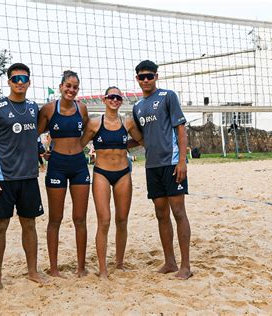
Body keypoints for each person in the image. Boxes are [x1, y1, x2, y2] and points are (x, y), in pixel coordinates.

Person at [0, 62, 46, 290]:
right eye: (15, 79)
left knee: (30, 225)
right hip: (3, 178)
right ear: (9, 82)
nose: (20, 82)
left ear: (29, 82)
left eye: (24, 79)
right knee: (0, 226)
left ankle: (32, 271)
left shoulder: (33, 108)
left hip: (28, 178)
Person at [132, 60, 192, 280]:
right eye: (142, 76)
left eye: (149, 76)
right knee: (160, 214)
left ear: (156, 76)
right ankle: (170, 261)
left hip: (172, 163)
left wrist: (182, 161)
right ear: (137, 79)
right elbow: (140, 138)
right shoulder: (137, 107)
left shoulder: (168, 96)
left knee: (178, 212)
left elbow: (180, 130)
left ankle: (186, 265)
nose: (146, 80)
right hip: (152, 166)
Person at [80, 86, 144, 279]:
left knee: (122, 220)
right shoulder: (93, 123)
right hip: (101, 173)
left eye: (118, 97)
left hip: (123, 173)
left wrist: (122, 144)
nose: (115, 100)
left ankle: (120, 264)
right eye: (111, 97)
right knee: (104, 220)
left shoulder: (128, 122)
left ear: (120, 101)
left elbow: (141, 140)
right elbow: (79, 145)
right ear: (105, 99)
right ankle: (102, 269)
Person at [37, 70, 90, 277]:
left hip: (79, 164)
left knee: (80, 218)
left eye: (75, 87)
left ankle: (81, 267)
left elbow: (88, 131)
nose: (71, 90)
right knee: (55, 218)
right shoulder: (49, 109)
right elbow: (36, 133)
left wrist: (80, 146)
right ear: (61, 87)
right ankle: (53, 268)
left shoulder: (82, 108)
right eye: (68, 85)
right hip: (57, 164)